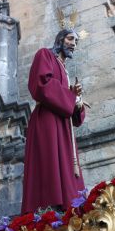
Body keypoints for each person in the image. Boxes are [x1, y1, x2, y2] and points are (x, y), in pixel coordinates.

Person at [21, 29, 85, 214]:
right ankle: (50, 210)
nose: (74, 43)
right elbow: (42, 85)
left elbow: (72, 109)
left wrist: (77, 102)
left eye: (77, 41)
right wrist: (71, 97)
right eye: (71, 38)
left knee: (65, 167)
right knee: (50, 162)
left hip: (63, 125)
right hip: (47, 121)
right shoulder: (45, 55)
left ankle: (69, 210)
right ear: (60, 39)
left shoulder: (64, 68)